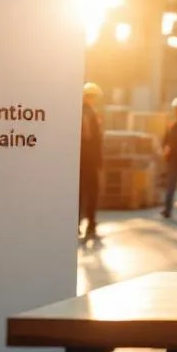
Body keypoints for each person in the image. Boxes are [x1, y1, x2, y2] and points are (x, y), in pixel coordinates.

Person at [79, 82, 104, 240]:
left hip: (80, 158)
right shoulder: (89, 113)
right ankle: (91, 224)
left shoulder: (79, 111)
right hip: (90, 158)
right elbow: (91, 137)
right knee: (92, 191)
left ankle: (77, 223)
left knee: (80, 191)